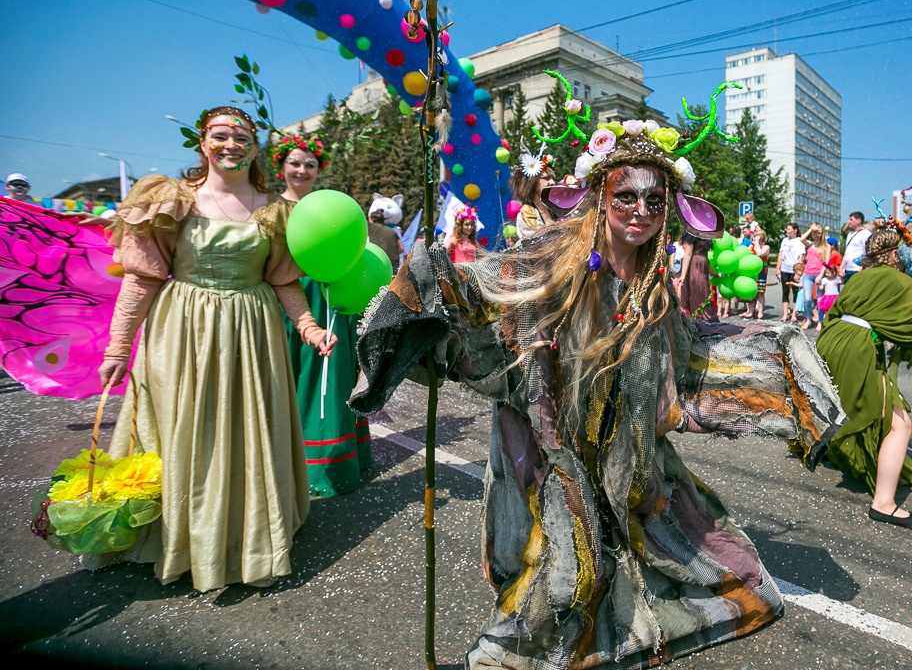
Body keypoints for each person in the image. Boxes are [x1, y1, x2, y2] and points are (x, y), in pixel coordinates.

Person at [349, 112, 845, 668]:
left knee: (740, 583)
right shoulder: (557, 256)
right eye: (626, 196)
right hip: (551, 439)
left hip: (625, 446)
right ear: (600, 195)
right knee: (569, 575)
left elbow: (684, 335)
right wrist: (431, 284)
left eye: (656, 201)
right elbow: (492, 290)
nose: (640, 211)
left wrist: (704, 253)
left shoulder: (652, 280)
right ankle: (505, 653)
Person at [97, 106, 335, 591]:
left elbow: (284, 282)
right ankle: (181, 541)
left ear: (256, 145)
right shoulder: (170, 199)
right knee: (188, 430)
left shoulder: (274, 209)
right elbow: (143, 280)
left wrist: (309, 328)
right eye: (220, 136)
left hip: (253, 333)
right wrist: (119, 348)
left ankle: (247, 540)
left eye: (242, 137)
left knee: (249, 430)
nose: (231, 145)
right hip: (183, 333)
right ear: (203, 143)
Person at [817, 222, 912, 531]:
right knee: (900, 423)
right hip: (857, 349)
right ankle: (884, 504)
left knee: (842, 404)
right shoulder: (900, 281)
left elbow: (834, 313)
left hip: (832, 341)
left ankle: (831, 451)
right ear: (897, 254)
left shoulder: (859, 277)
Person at [273, 134, 371, 497]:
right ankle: (292, 465)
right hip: (289, 304)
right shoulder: (270, 210)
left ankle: (333, 462)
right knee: (293, 380)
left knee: (331, 379)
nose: (302, 170)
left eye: (309, 164)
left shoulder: (329, 207)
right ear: (282, 167)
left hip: (331, 300)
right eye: (295, 163)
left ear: (319, 170)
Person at [510, 150, 556, 241]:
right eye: (546, 178)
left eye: (553, 178)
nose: (552, 182)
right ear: (533, 183)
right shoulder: (526, 216)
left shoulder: (557, 209)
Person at [799, 223, 834, 329]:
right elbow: (802, 238)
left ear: (822, 233)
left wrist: (821, 275)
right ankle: (808, 319)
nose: (816, 235)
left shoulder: (826, 246)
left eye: (818, 232)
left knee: (819, 300)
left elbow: (826, 262)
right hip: (808, 274)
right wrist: (811, 228)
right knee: (807, 299)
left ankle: (819, 321)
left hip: (819, 274)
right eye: (815, 233)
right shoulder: (810, 244)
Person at [677, 231, 716, 321]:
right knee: (699, 287)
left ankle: (704, 316)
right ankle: (699, 316)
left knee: (703, 288)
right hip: (695, 265)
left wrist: (712, 272)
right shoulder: (690, 234)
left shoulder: (705, 235)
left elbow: (705, 255)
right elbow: (688, 253)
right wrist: (682, 275)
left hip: (702, 265)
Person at [776, 222, 804, 322]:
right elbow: (781, 254)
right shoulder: (784, 240)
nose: (787, 231)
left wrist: (798, 272)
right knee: (785, 292)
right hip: (785, 269)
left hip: (794, 269)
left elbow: (801, 257)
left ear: (795, 230)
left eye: (789, 229)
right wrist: (778, 268)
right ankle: (785, 314)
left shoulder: (799, 241)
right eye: (786, 229)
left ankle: (794, 315)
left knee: (795, 292)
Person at [742, 228, 771, 319]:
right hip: (751, 272)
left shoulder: (766, 247)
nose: (754, 239)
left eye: (756, 237)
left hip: (761, 272)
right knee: (751, 291)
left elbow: (759, 253)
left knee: (760, 292)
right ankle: (750, 311)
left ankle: (760, 312)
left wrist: (757, 243)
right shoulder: (751, 247)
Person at [841, 211, 870, 281]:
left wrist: (863, 267)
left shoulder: (866, 234)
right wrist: (841, 267)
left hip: (857, 269)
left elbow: (867, 251)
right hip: (847, 269)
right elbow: (847, 252)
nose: (848, 222)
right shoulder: (850, 234)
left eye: (851, 219)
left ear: (858, 221)